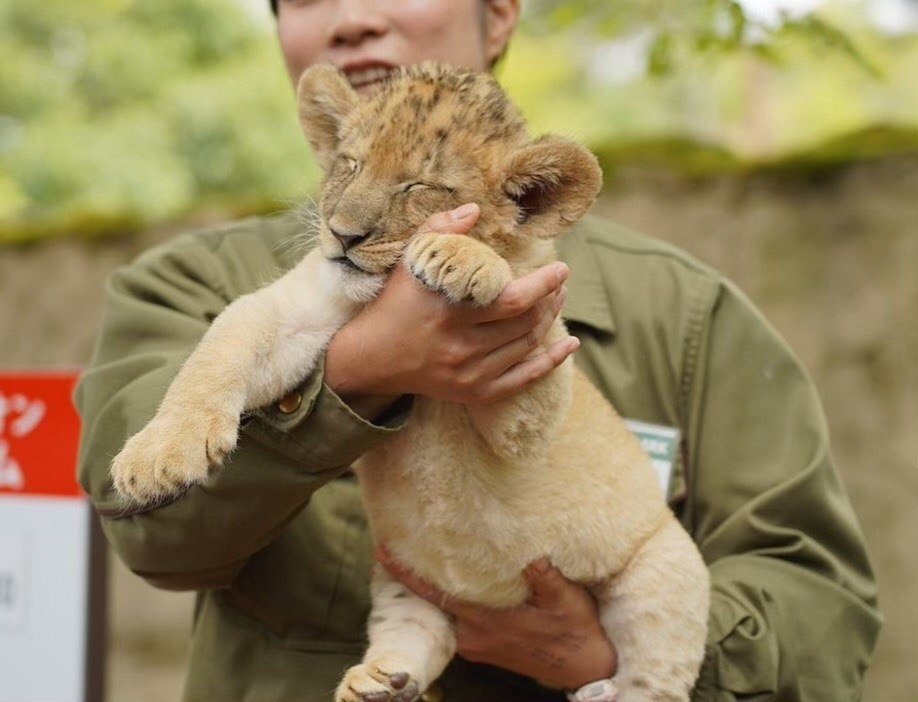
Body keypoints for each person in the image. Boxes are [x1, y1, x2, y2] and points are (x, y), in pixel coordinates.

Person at [74, 1, 882, 701]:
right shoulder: (186, 283)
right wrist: (357, 377)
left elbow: (825, 608)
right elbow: (144, 527)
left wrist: (603, 656)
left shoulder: (687, 314)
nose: (352, 15)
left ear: (498, 14)